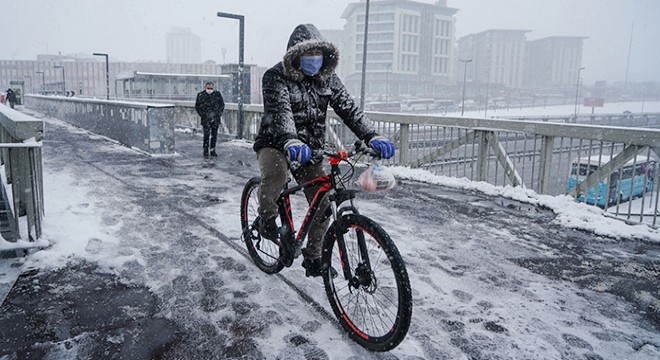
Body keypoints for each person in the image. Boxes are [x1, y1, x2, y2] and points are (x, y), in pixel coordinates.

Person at [252, 24, 395, 277]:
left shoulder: (327, 79)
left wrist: (372, 135)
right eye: (308, 54)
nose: (314, 59)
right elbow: (280, 111)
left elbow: (349, 110)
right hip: (276, 142)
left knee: (324, 201)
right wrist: (290, 140)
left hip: (311, 148)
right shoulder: (275, 77)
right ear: (295, 55)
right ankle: (266, 218)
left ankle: (315, 256)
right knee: (275, 175)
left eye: (318, 54)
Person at [195, 82, 225, 157]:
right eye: (208, 88)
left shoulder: (217, 94)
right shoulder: (201, 95)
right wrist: (203, 115)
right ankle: (205, 150)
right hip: (206, 119)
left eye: (211, 88)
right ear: (205, 88)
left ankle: (212, 150)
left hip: (215, 119)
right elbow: (197, 106)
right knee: (206, 135)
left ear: (213, 88)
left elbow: (222, 105)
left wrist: (218, 114)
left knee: (214, 135)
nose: (210, 90)